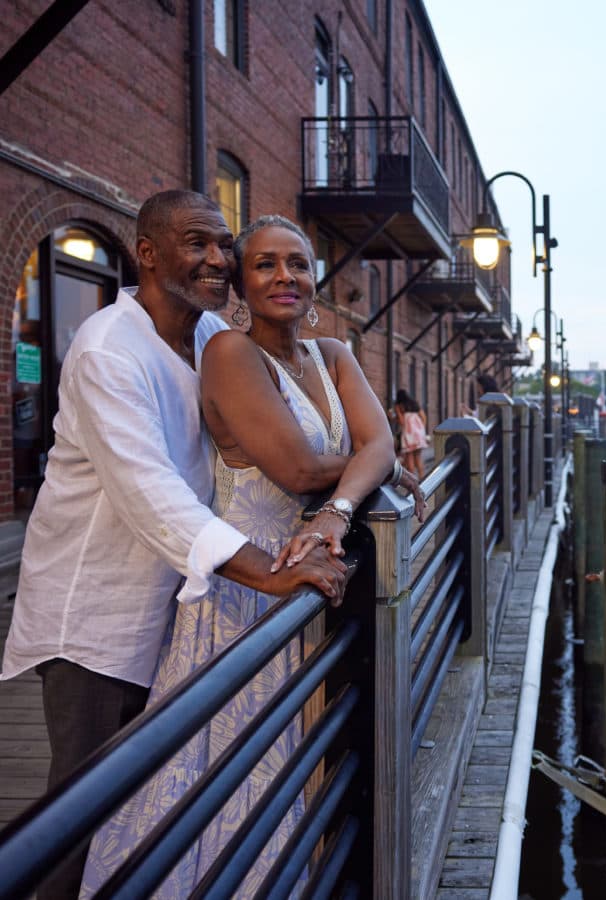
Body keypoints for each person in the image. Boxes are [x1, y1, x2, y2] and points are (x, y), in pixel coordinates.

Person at [0, 191, 347, 900]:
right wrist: (271, 574)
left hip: (178, 608)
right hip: (93, 621)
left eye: (224, 243)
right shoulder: (107, 351)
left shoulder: (210, 334)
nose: (219, 258)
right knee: (82, 813)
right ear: (148, 253)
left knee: (152, 811)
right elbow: (150, 491)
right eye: (198, 243)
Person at [79, 214, 424, 897]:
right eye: (264, 264)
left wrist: (342, 506)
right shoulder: (230, 355)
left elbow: (380, 445)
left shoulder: (336, 355)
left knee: (303, 755)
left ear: (315, 279)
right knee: (233, 771)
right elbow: (296, 468)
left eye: (297, 263)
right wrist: (366, 466)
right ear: (241, 282)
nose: (284, 276)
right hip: (248, 587)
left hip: (314, 571)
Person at [394, 388, 429, 479]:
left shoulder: (399, 406)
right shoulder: (414, 404)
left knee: (410, 460)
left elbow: (402, 422)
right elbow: (423, 417)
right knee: (418, 458)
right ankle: (423, 480)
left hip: (408, 435)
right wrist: (421, 429)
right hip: (419, 434)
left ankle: (413, 482)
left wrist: (395, 417)